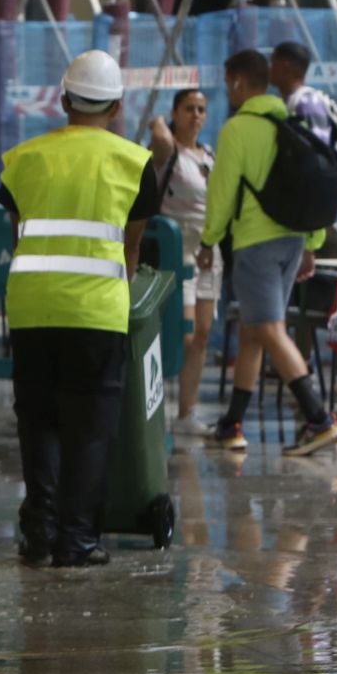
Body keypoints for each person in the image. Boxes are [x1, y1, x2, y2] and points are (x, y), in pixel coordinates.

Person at [0, 50, 160, 568]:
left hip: (31, 310)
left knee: (38, 421)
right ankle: (77, 539)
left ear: (63, 101)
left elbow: (19, 231)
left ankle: (39, 532)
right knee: (89, 429)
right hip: (96, 313)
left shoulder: (24, 159)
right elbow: (132, 248)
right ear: (117, 107)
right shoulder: (134, 164)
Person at [197, 49, 337, 456]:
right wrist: (313, 245)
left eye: (229, 83)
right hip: (293, 242)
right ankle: (231, 425)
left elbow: (222, 195)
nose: (228, 90)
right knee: (253, 330)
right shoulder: (291, 123)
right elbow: (311, 187)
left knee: (268, 330)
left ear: (240, 82)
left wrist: (209, 241)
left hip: (256, 245)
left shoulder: (237, 130)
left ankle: (318, 419)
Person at [148, 88, 219, 432]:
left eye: (202, 109)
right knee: (183, 333)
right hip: (176, 250)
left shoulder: (209, 155)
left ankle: (187, 412)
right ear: (176, 112)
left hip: (208, 249)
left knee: (203, 332)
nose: (196, 115)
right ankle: (155, 403)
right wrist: (161, 120)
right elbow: (159, 135)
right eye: (189, 108)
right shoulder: (167, 152)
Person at [270, 41, 337, 160]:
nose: (269, 68)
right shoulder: (286, 102)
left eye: (273, 62)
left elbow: (320, 154)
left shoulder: (309, 103)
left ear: (285, 67)